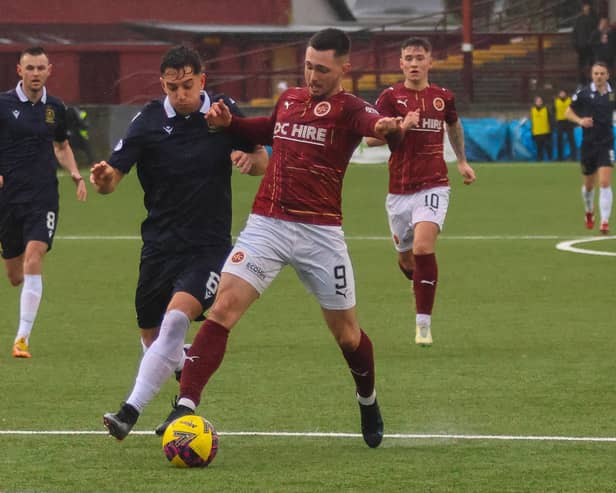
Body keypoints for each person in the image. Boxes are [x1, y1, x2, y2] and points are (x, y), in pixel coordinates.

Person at [154, 28, 414, 449]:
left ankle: (367, 399)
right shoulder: (291, 98)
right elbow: (269, 128)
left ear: (344, 68)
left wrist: (390, 128)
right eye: (308, 65)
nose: (312, 75)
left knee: (348, 335)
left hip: (320, 232)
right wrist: (231, 125)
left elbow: (380, 129)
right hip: (267, 225)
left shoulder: (351, 109)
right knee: (222, 310)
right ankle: (185, 405)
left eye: (322, 69)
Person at [92, 45, 268, 440]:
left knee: (176, 319)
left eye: (187, 85)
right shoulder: (148, 121)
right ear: (163, 84)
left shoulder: (224, 112)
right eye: (172, 88)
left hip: (207, 248)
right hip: (158, 248)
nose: (180, 94)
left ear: (202, 81)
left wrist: (249, 161)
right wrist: (104, 181)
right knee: (155, 339)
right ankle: (183, 371)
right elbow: (112, 178)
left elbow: (262, 161)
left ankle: (128, 412)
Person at [365, 37, 476, 347]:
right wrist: (402, 127)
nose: (414, 63)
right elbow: (371, 139)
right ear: (401, 63)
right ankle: (421, 283)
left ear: (430, 62)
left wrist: (463, 162)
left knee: (424, 248)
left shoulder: (443, 97)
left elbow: (453, 126)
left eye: (419, 58)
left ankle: (423, 324)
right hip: (399, 191)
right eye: (408, 58)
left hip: (434, 184)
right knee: (407, 260)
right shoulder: (390, 97)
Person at [0, 46, 87, 358]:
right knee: (15, 276)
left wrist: (76, 174)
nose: (35, 73)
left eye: (40, 68)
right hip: (8, 198)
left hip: (43, 195)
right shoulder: (3, 104)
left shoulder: (56, 107)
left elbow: (61, 145)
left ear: (49, 70)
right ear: (19, 71)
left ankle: (22, 338)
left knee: (34, 255)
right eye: (30, 68)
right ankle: (29, 285)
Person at [565, 61, 614, 234]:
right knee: (588, 186)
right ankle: (588, 211)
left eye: (602, 73)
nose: (599, 76)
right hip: (588, 145)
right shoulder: (584, 93)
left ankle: (605, 221)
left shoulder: (612, 94)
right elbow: (567, 112)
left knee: (605, 182)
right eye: (596, 73)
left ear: (607, 75)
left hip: (606, 144)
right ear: (592, 75)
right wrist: (580, 121)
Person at [572, 1, 598, 85]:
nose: (586, 8)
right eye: (585, 6)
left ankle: (592, 81)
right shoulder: (579, 19)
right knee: (582, 65)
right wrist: (575, 45)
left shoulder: (594, 18)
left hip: (591, 47)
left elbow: (596, 32)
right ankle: (582, 81)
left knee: (592, 64)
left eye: (588, 6)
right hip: (581, 46)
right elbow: (575, 33)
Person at [554, 89, 577, 161]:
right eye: (561, 93)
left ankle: (574, 157)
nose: (562, 94)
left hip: (569, 122)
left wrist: (574, 121)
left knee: (571, 140)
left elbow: (575, 110)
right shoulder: (556, 101)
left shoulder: (570, 101)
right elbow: (553, 112)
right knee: (559, 140)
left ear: (566, 94)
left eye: (563, 93)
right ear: (559, 94)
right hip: (560, 122)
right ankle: (559, 157)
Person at [530, 95, 552, 161]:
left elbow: (550, 120)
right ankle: (539, 160)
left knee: (548, 147)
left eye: (540, 101)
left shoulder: (546, 109)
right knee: (539, 148)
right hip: (537, 132)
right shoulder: (532, 110)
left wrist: (550, 130)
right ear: (535, 102)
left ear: (542, 102)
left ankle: (550, 159)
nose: (539, 102)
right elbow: (532, 122)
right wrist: (532, 132)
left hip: (545, 132)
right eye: (537, 101)